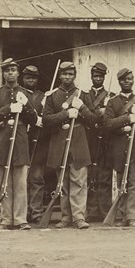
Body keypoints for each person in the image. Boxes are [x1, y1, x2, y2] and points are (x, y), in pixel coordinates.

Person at [43, 62, 97, 229]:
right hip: (60, 141)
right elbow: (46, 120)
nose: (67, 77)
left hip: (78, 142)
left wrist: (82, 108)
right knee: (63, 182)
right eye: (64, 74)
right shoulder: (52, 96)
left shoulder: (82, 94)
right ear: (60, 75)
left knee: (79, 181)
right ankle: (66, 217)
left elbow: (94, 119)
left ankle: (79, 217)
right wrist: (66, 114)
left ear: (74, 75)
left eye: (70, 74)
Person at [0, 58, 38, 230]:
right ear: (3, 73)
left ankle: (21, 219)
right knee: (4, 183)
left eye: (13, 70)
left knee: (21, 183)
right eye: (7, 70)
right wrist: (8, 109)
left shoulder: (26, 93)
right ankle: (7, 219)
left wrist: (26, 105)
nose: (10, 73)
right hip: (3, 142)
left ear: (18, 73)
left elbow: (34, 119)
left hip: (20, 141)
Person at [102, 68, 135, 227]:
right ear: (119, 81)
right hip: (120, 149)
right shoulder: (113, 102)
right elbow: (107, 124)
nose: (127, 82)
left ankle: (133, 217)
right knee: (122, 184)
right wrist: (127, 118)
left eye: (130, 79)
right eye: (124, 79)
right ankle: (124, 215)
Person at [81, 62, 115, 222]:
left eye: (101, 76)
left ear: (104, 77)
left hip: (105, 139)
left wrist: (107, 109)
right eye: (95, 76)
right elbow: (83, 115)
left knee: (105, 176)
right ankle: (92, 210)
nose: (98, 79)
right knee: (90, 176)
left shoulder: (111, 96)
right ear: (91, 77)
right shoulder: (84, 96)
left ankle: (105, 210)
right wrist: (98, 111)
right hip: (89, 139)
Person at [22, 65, 49, 225]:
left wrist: (42, 120)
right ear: (23, 79)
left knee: (37, 178)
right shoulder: (19, 94)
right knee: (21, 179)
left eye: (33, 77)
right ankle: (22, 212)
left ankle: (36, 212)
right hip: (21, 141)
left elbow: (49, 116)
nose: (30, 80)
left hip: (38, 141)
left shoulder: (44, 97)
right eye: (27, 77)